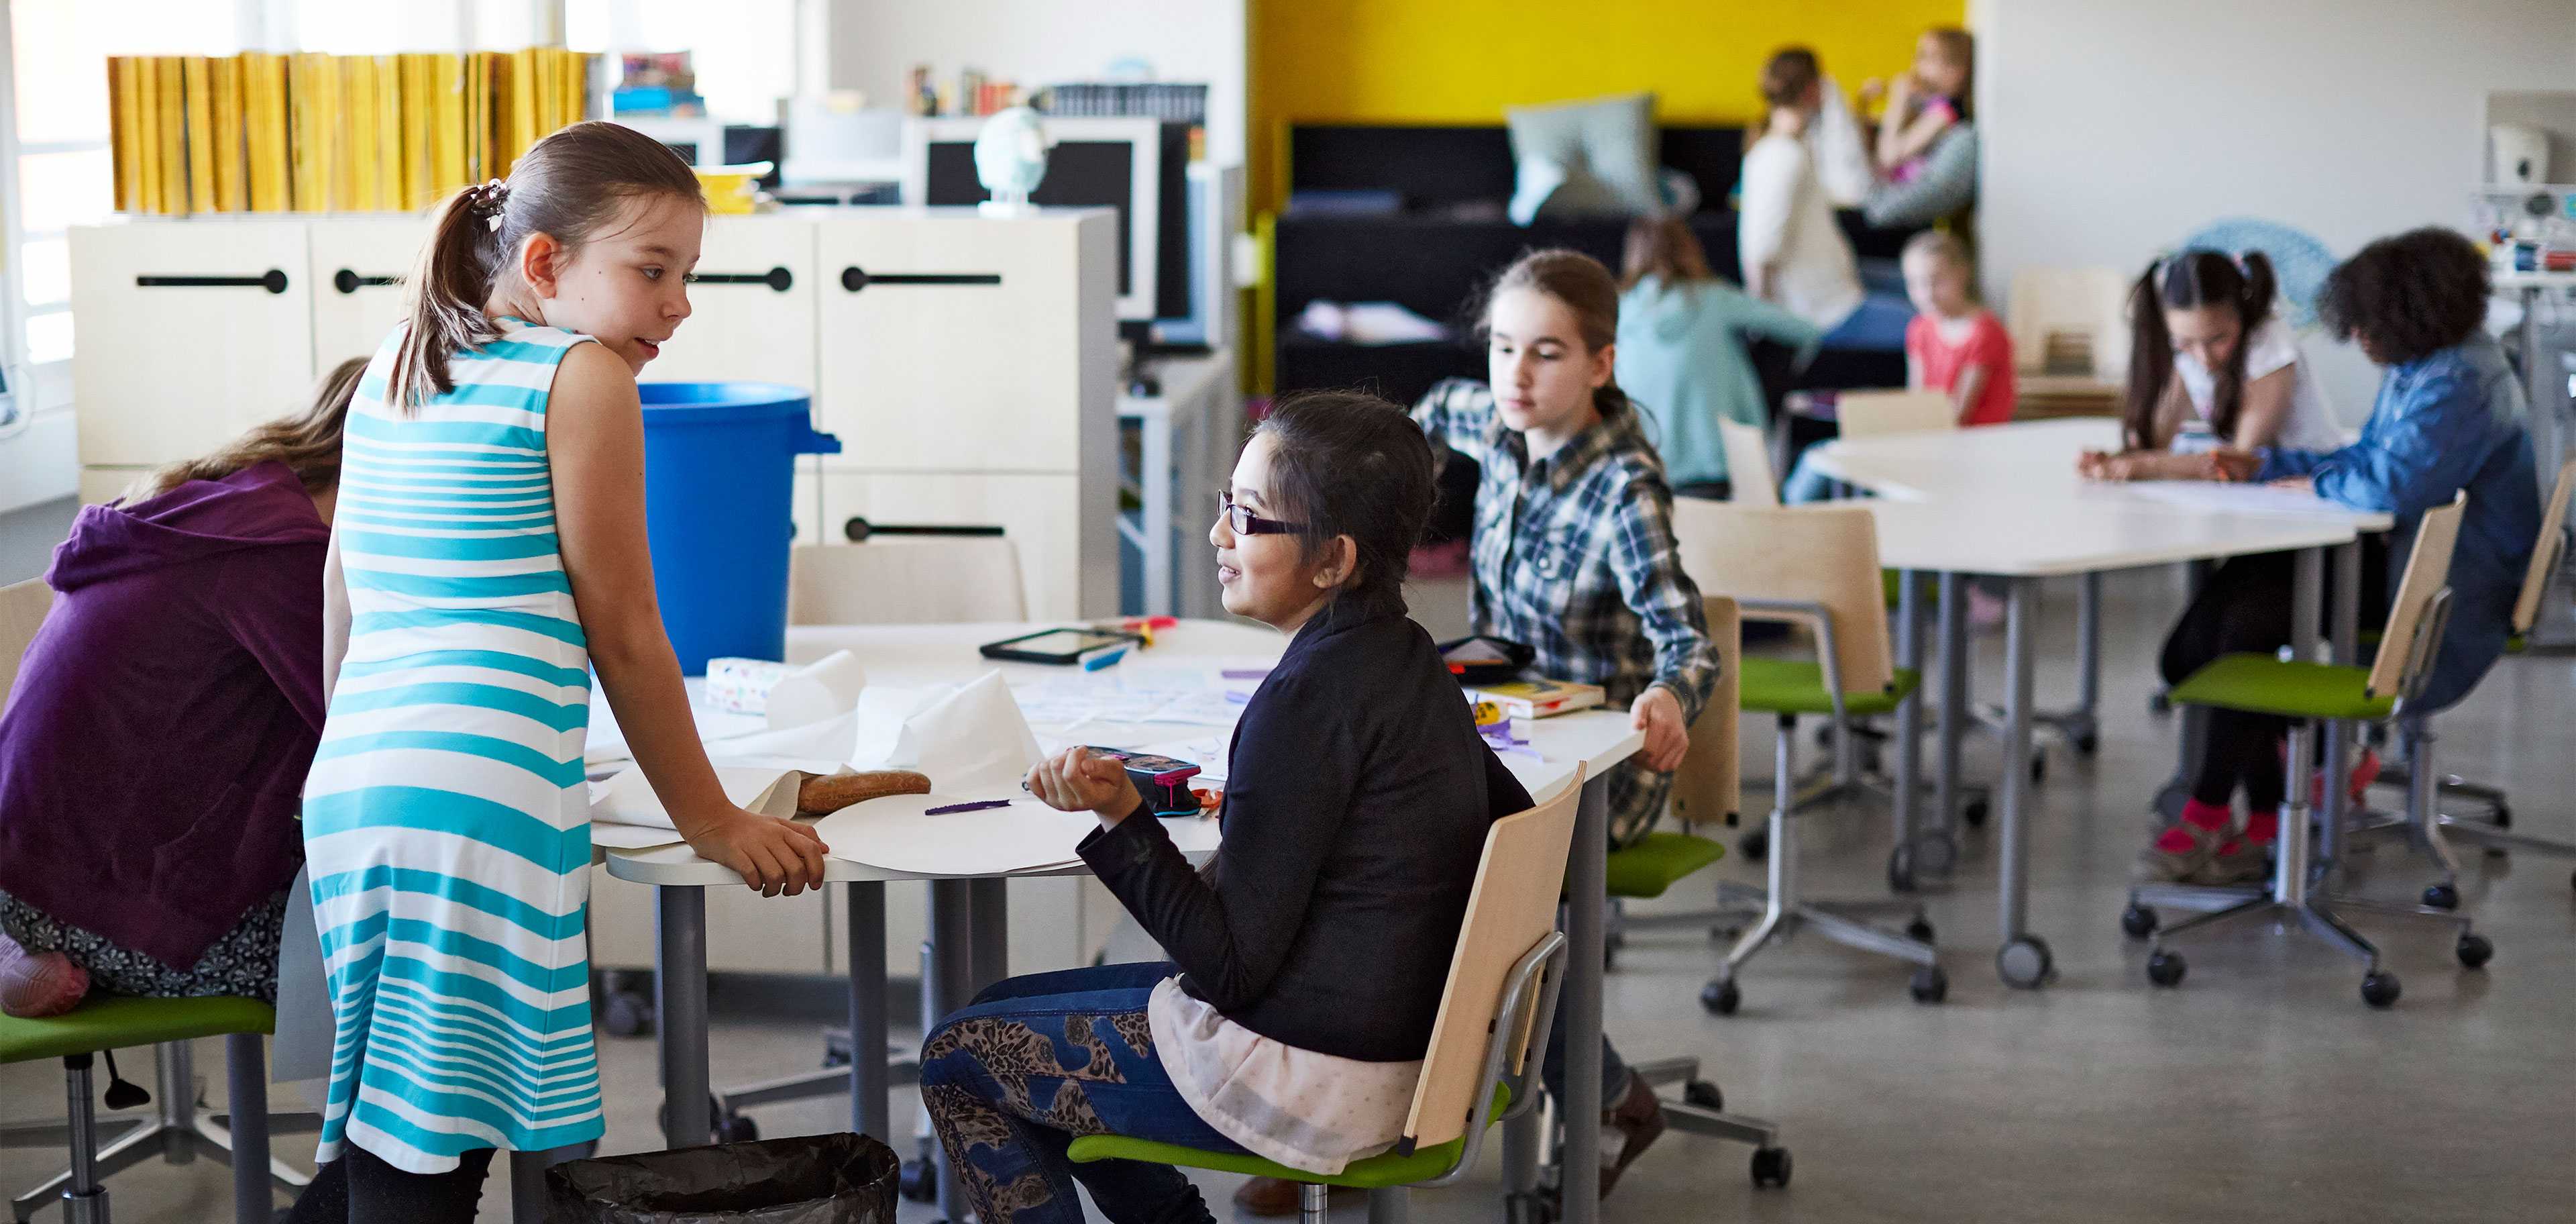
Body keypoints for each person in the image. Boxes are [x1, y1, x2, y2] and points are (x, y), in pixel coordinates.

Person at [286, 122, 828, 1221]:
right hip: (478, 809)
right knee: (429, 1162)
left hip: (354, 792)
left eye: (687, 275)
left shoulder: (391, 365)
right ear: (546, 264)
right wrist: (713, 816)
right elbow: (623, 627)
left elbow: (343, 600)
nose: (679, 303)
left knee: (397, 1121)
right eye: (652, 269)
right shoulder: (577, 377)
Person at [917, 393, 1523, 1223]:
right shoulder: (1410, 657)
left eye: (1248, 516)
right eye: (1224, 507)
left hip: (1316, 1073)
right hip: (1409, 1045)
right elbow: (1511, 819)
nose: (1218, 536)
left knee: (956, 1057)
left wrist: (1125, 815)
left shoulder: (1304, 700)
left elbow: (1230, 967)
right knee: (995, 1014)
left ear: (1333, 559)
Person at [1413, 248, 1720, 1194]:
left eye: (1545, 353)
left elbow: (1692, 641)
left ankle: (1605, 1094)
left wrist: (1669, 697)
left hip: (1600, 766)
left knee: (1454, 882)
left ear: (1600, 365)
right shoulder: (1488, 416)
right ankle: (1407, 1100)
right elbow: (1420, 417)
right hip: (1503, 733)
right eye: (1503, 347)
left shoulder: (1624, 489)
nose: (1515, 374)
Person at [2131, 227, 2538, 884]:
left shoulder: (2460, 380)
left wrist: (2312, 478)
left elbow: (2389, 486)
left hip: (2443, 590)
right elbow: (2365, 459)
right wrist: (2265, 467)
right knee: (2211, 636)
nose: (2363, 344)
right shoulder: (2428, 365)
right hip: (2412, 565)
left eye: (2370, 329)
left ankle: (2221, 811)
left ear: (2413, 316)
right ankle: (2295, 789)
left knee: (2237, 631)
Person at [0, 358, 364, 1019]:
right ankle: (360, 1125)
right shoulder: (282, 555)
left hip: (33, 856)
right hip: (92, 892)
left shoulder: (238, 501)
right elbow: (362, 729)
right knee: (389, 943)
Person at [1780, 230, 2015, 506]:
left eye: (1937, 282)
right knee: (1822, 458)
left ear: (1962, 273)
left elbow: (1957, 415)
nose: (1926, 294)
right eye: (1915, 284)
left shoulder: (1985, 333)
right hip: (1931, 438)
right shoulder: (1920, 328)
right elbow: (1915, 397)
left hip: (1968, 446)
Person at [2078, 248, 2343, 481]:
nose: (2203, 357)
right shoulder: (2186, 351)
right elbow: (2160, 437)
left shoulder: (2269, 343)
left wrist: (2142, 466)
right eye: (2185, 342)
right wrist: (2118, 460)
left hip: (2308, 473)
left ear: (2241, 315)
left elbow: (2241, 460)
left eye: (2218, 339)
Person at [1616, 214, 1823, 499]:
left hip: (1643, 467)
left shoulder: (1619, 312)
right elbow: (1806, 330)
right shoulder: (1715, 298)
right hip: (1719, 464)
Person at [1740, 48, 1910, 352]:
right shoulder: (1782, 157)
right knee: (1929, 327)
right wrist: (1765, 327)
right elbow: (1760, 249)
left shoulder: (1789, 148)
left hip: (1835, 287)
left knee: (1913, 283)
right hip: (1826, 313)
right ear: (1813, 89)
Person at [1858, 29, 1980, 229]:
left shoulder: (1946, 112)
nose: (1916, 65)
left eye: (1926, 58)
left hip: (1906, 215)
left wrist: (1898, 101)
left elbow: (1889, 157)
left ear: (1957, 71)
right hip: (1891, 193)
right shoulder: (1930, 104)